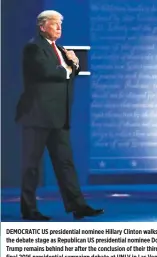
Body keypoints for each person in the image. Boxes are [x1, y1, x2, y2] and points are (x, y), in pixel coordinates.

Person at [15, 10, 104, 221]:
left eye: (60, 25)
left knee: (66, 163)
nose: (58, 28)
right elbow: (46, 72)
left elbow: (67, 75)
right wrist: (69, 66)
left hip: (59, 117)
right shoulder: (34, 47)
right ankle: (29, 209)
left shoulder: (62, 50)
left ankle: (78, 205)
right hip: (37, 116)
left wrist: (73, 65)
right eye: (54, 24)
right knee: (31, 165)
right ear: (42, 26)